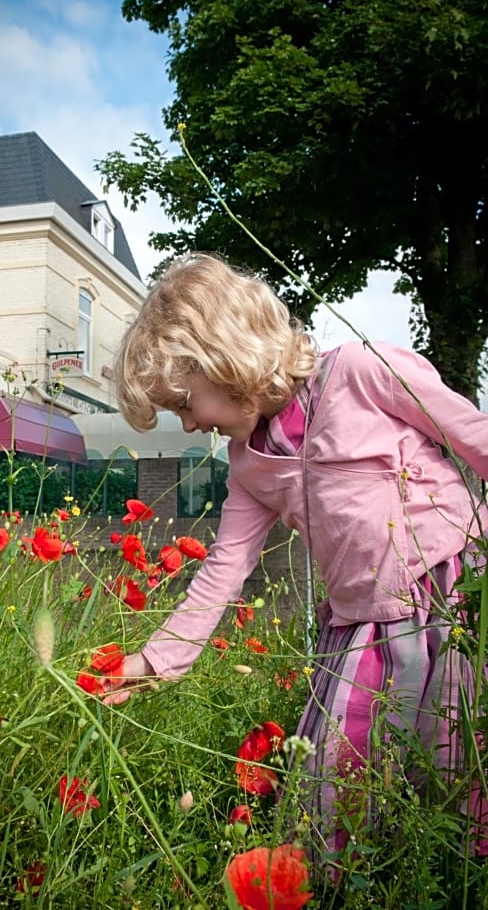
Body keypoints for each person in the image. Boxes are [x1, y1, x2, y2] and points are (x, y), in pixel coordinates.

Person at [103, 251, 488, 859]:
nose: (187, 423)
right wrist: (153, 662)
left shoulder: (363, 371)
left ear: (223, 360)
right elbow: (224, 568)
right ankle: (329, 886)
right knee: (335, 776)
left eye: (184, 404)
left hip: (454, 596)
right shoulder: (249, 464)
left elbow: (476, 439)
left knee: (458, 763)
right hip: (361, 624)